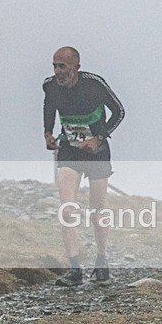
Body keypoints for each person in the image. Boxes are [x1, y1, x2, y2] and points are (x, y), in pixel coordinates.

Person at [43, 46, 124, 286]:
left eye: (63, 66)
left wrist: (98, 138)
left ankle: (101, 260)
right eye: (55, 66)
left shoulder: (94, 84)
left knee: (97, 211)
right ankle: (75, 268)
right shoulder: (50, 85)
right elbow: (49, 107)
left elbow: (119, 112)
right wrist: (47, 132)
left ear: (76, 67)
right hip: (69, 149)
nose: (58, 72)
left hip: (96, 152)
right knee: (67, 209)